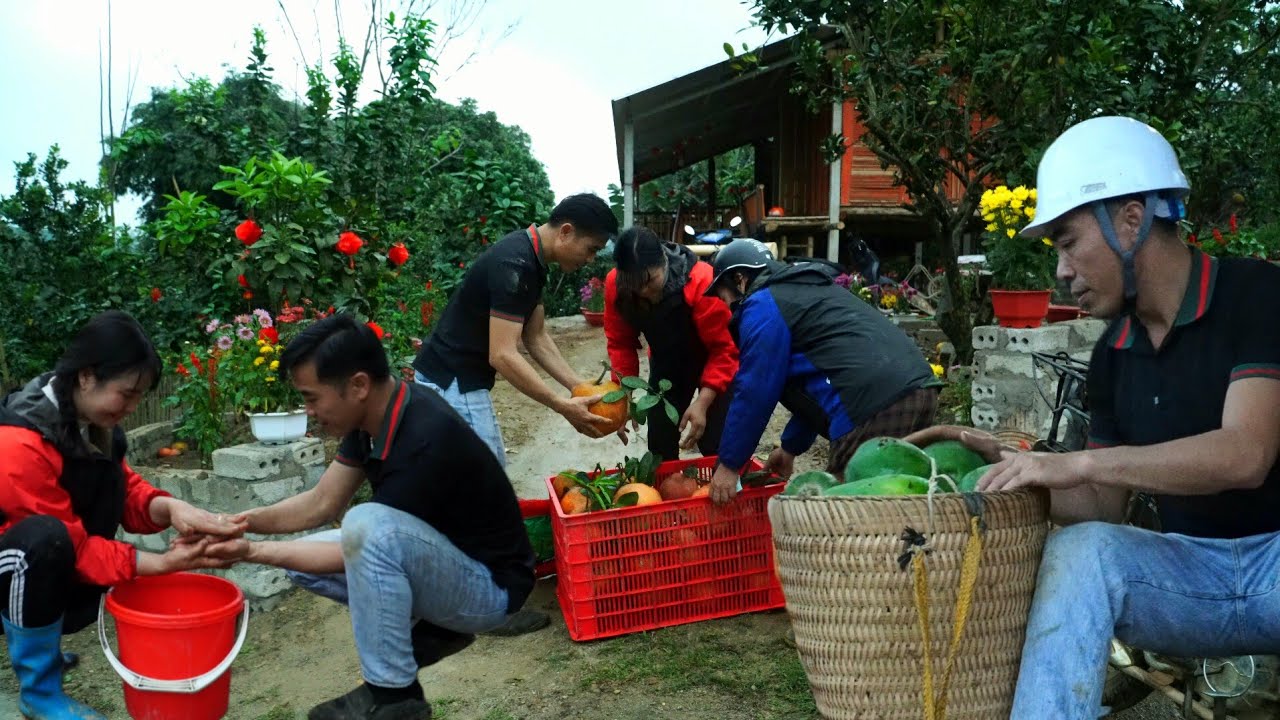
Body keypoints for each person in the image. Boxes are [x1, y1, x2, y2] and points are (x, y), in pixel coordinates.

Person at [965, 116, 1280, 717]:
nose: (1061, 270)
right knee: (1081, 552)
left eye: (1068, 242)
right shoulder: (1113, 354)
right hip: (1190, 579)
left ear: (1131, 221)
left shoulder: (1257, 295)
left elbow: (1246, 454)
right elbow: (1101, 508)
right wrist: (1021, 474)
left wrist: (1082, 460)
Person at [213, 314, 536, 720]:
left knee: (364, 527)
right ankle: (434, 632)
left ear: (359, 385)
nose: (309, 411)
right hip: (447, 560)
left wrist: (251, 552)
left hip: (492, 589)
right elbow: (321, 503)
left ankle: (394, 696)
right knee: (303, 562)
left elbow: (367, 546)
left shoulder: (424, 440)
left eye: (312, 398)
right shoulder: (374, 417)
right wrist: (238, 523)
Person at [0, 310, 246, 720]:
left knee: (64, 529)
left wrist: (172, 509)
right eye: (127, 393)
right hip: (17, 565)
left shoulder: (90, 422)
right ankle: (38, 692)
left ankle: (47, 655)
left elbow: (125, 490)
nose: (131, 408)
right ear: (86, 376)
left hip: (52, 556)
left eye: (139, 397)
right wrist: (163, 563)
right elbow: (73, 550)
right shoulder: (19, 442)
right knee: (43, 541)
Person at [702, 239, 941, 504]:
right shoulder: (808, 289)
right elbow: (822, 382)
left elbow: (755, 390)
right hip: (920, 389)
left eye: (724, 298)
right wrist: (790, 448)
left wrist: (729, 464)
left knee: (844, 512)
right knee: (900, 498)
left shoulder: (763, 304)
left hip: (872, 404)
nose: (727, 308)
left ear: (740, 279)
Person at [412, 193, 621, 466]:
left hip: (459, 379)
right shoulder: (515, 263)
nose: (591, 259)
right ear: (566, 232)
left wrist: (582, 390)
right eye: (591, 249)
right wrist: (561, 405)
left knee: (480, 479)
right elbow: (502, 355)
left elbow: (536, 337)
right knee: (485, 479)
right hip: (451, 380)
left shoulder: (532, 259)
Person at [603, 226, 738, 459]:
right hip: (667, 363)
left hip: (712, 361)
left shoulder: (702, 282)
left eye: (649, 281)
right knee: (660, 442)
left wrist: (703, 403)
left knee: (717, 441)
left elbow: (724, 349)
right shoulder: (617, 286)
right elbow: (621, 343)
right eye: (634, 285)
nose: (643, 292)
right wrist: (623, 398)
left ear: (663, 262)